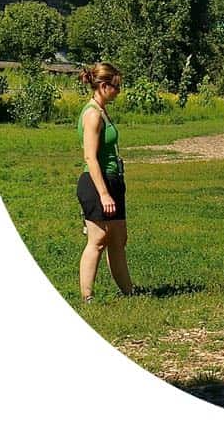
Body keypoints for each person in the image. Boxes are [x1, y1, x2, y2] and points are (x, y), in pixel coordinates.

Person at [77, 63, 133, 302]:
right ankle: (87, 296)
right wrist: (103, 194)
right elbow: (90, 157)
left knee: (118, 238)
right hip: (96, 184)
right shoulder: (92, 114)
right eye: (116, 86)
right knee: (98, 240)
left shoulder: (102, 110)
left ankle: (129, 292)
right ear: (103, 86)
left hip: (113, 180)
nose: (118, 91)